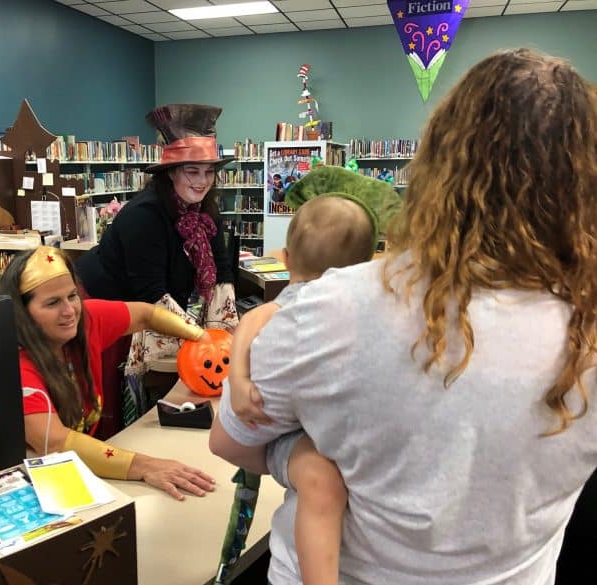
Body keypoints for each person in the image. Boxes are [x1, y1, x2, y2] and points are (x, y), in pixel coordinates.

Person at [210, 47, 597, 584]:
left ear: (438, 165)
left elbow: (230, 440)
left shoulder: (337, 306)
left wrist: (296, 456)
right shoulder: (583, 326)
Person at [227, 169, 400, 585]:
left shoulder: (295, 314)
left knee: (318, 481)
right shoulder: (366, 312)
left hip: (299, 434)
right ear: (369, 262)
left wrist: (236, 379)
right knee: (321, 482)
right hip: (326, 442)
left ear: (284, 258)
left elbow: (254, 319)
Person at [0, 246, 216, 501]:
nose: (69, 311)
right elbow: (56, 444)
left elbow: (147, 315)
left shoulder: (87, 321)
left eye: (72, 296)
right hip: (40, 491)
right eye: (52, 303)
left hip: (90, 475)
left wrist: (202, 337)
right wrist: (146, 466)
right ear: (22, 314)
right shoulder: (17, 368)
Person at [76, 104, 239, 430]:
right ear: (171, 173)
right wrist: (198, 336)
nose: (202, 181)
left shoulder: (206, 211)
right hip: (106, 304)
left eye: (209, 172)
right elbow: (149, 291)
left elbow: (221, 270)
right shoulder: (144, 215)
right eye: (192, 171)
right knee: (109, 393)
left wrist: (226, 332)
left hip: (149, 301)